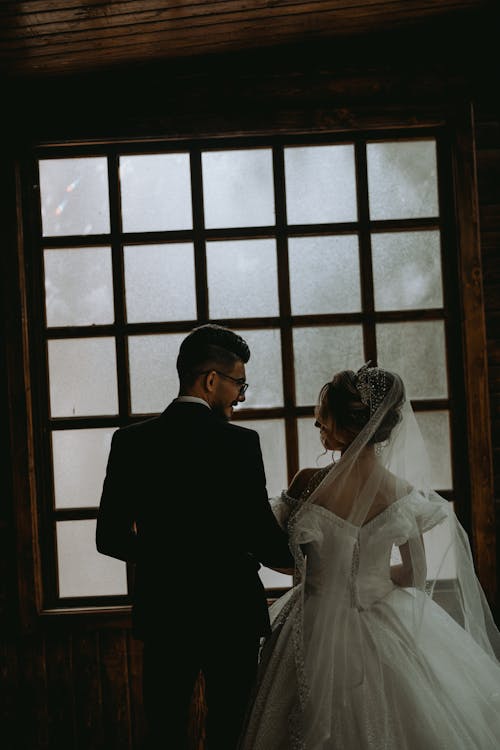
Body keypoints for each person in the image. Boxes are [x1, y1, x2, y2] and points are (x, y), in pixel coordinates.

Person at [239, 363, 500, 749]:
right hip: (383, 613)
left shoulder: (308, 481)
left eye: (323, 419)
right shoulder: (402, 492)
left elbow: (284, 558)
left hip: (311, 617)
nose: (318, 426)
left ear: (347, 426)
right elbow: (415, 575)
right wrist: (372, 578)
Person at [96, 323, 293, 750]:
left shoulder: (131, 442)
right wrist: (314, 555)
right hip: (232, 613)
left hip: (165, 612)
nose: (241, 395)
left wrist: (168, 557)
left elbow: (108, 538)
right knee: (232, 731)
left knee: (165, 731)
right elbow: (262, 535)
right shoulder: (241, 444)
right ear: (210, 380)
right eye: (239, 383)